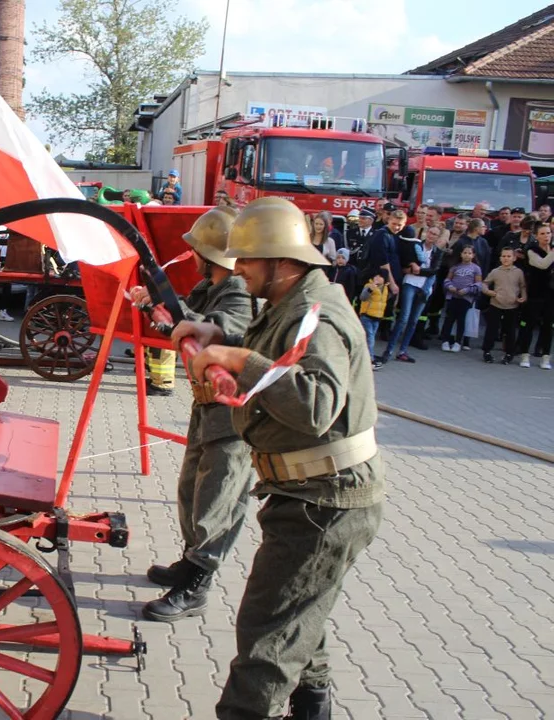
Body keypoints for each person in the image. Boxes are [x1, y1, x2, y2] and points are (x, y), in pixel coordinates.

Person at [176, 197, 384, 720]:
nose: (236, 270)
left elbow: (315, 404)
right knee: (296, 619)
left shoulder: (319, 314)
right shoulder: (293, 304)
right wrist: (219, 337)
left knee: (267, 639)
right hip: (305, 494)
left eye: (245, 260)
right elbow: (275, 348)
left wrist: (239, 359)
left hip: (324, 503)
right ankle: (313, 709)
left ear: (280, 261)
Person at [130, 207, 255, 622]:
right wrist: (157, 307)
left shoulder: (236, 289)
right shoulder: (211, 285)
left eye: (196, 250)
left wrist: (175, 312)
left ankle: (198, 583)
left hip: (232, 413)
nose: (191, 256)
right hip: (208, 407)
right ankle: (191, 561)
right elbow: (184, 323)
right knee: (192, 491)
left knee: (217, 500)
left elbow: (221, 329)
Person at [379, 223, 445, 364]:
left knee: (414, 320)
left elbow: (434, 270)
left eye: (435, 234)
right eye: (430, 232)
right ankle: (389, 350)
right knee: (403, 318)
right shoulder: (415, 246)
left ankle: (402, 351)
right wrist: (412, 269)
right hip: (410, 283)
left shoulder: (438, 252)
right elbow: (404, 265)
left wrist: (418, 270)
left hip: (425, 288)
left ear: (438, 237)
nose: (431, 236)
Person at [481, 247, 527, 364]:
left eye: (509, 256)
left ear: (514, 258)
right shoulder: (496, 271)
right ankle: (487, 351)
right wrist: (488, 292)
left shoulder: (518, 272)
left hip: (512, 305)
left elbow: (522, 286)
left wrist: (524, 296)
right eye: (504, 256)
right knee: (492, 329)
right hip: (496, 304)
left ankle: (509, 353)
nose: (506, 258)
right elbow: (485, 284)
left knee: (510, 330)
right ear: (500, 258)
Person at [519, 224, 554, 368]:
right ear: (537, 236)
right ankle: (524, 355)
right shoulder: (531, 250)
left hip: (551, 294)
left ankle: (546, 357)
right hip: (535, 292)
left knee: (548, 325)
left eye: (548, 233)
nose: (547, 236)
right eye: (543, 234)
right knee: (529, 324)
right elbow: (542, 264)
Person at [440, 245, 483, 352]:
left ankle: (458, 342)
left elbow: (478, 284)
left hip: (466, 298)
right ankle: (445, 340)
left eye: (469, 253)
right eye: (465, 253)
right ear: (461, 254)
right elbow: (447, 280)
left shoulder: (476, 268)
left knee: (461, 320)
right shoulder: (455, 267)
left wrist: (467, 290)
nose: (467, 255)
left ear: (473, 255)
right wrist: (450, 287)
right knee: (449, 318)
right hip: (452, 296)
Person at [359, 270, 390, 367]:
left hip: (377, 318)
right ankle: (370, 360)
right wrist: (371, 288)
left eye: (380, 276)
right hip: (366, 316)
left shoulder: (385, 288)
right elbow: (363, 297)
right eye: (376, 275)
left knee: (369, 338)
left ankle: (364, 358)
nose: (377, 278)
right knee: (370, 338)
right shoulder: (369, 286)